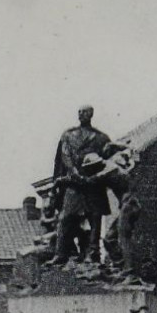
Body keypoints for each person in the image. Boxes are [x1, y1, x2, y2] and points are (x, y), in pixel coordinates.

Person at [50, 106, 115, 265]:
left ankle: (93, 254)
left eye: (84, 112)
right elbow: (64, 156)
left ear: (91, 114)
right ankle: (61, 254)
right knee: (66, 218)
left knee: (94, 220)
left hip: (93, 185)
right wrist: (73, 172)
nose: (81, 114)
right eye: (79, 111)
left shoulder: (102, 138)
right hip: (74, 185)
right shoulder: (68, 135)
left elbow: (107, 160)